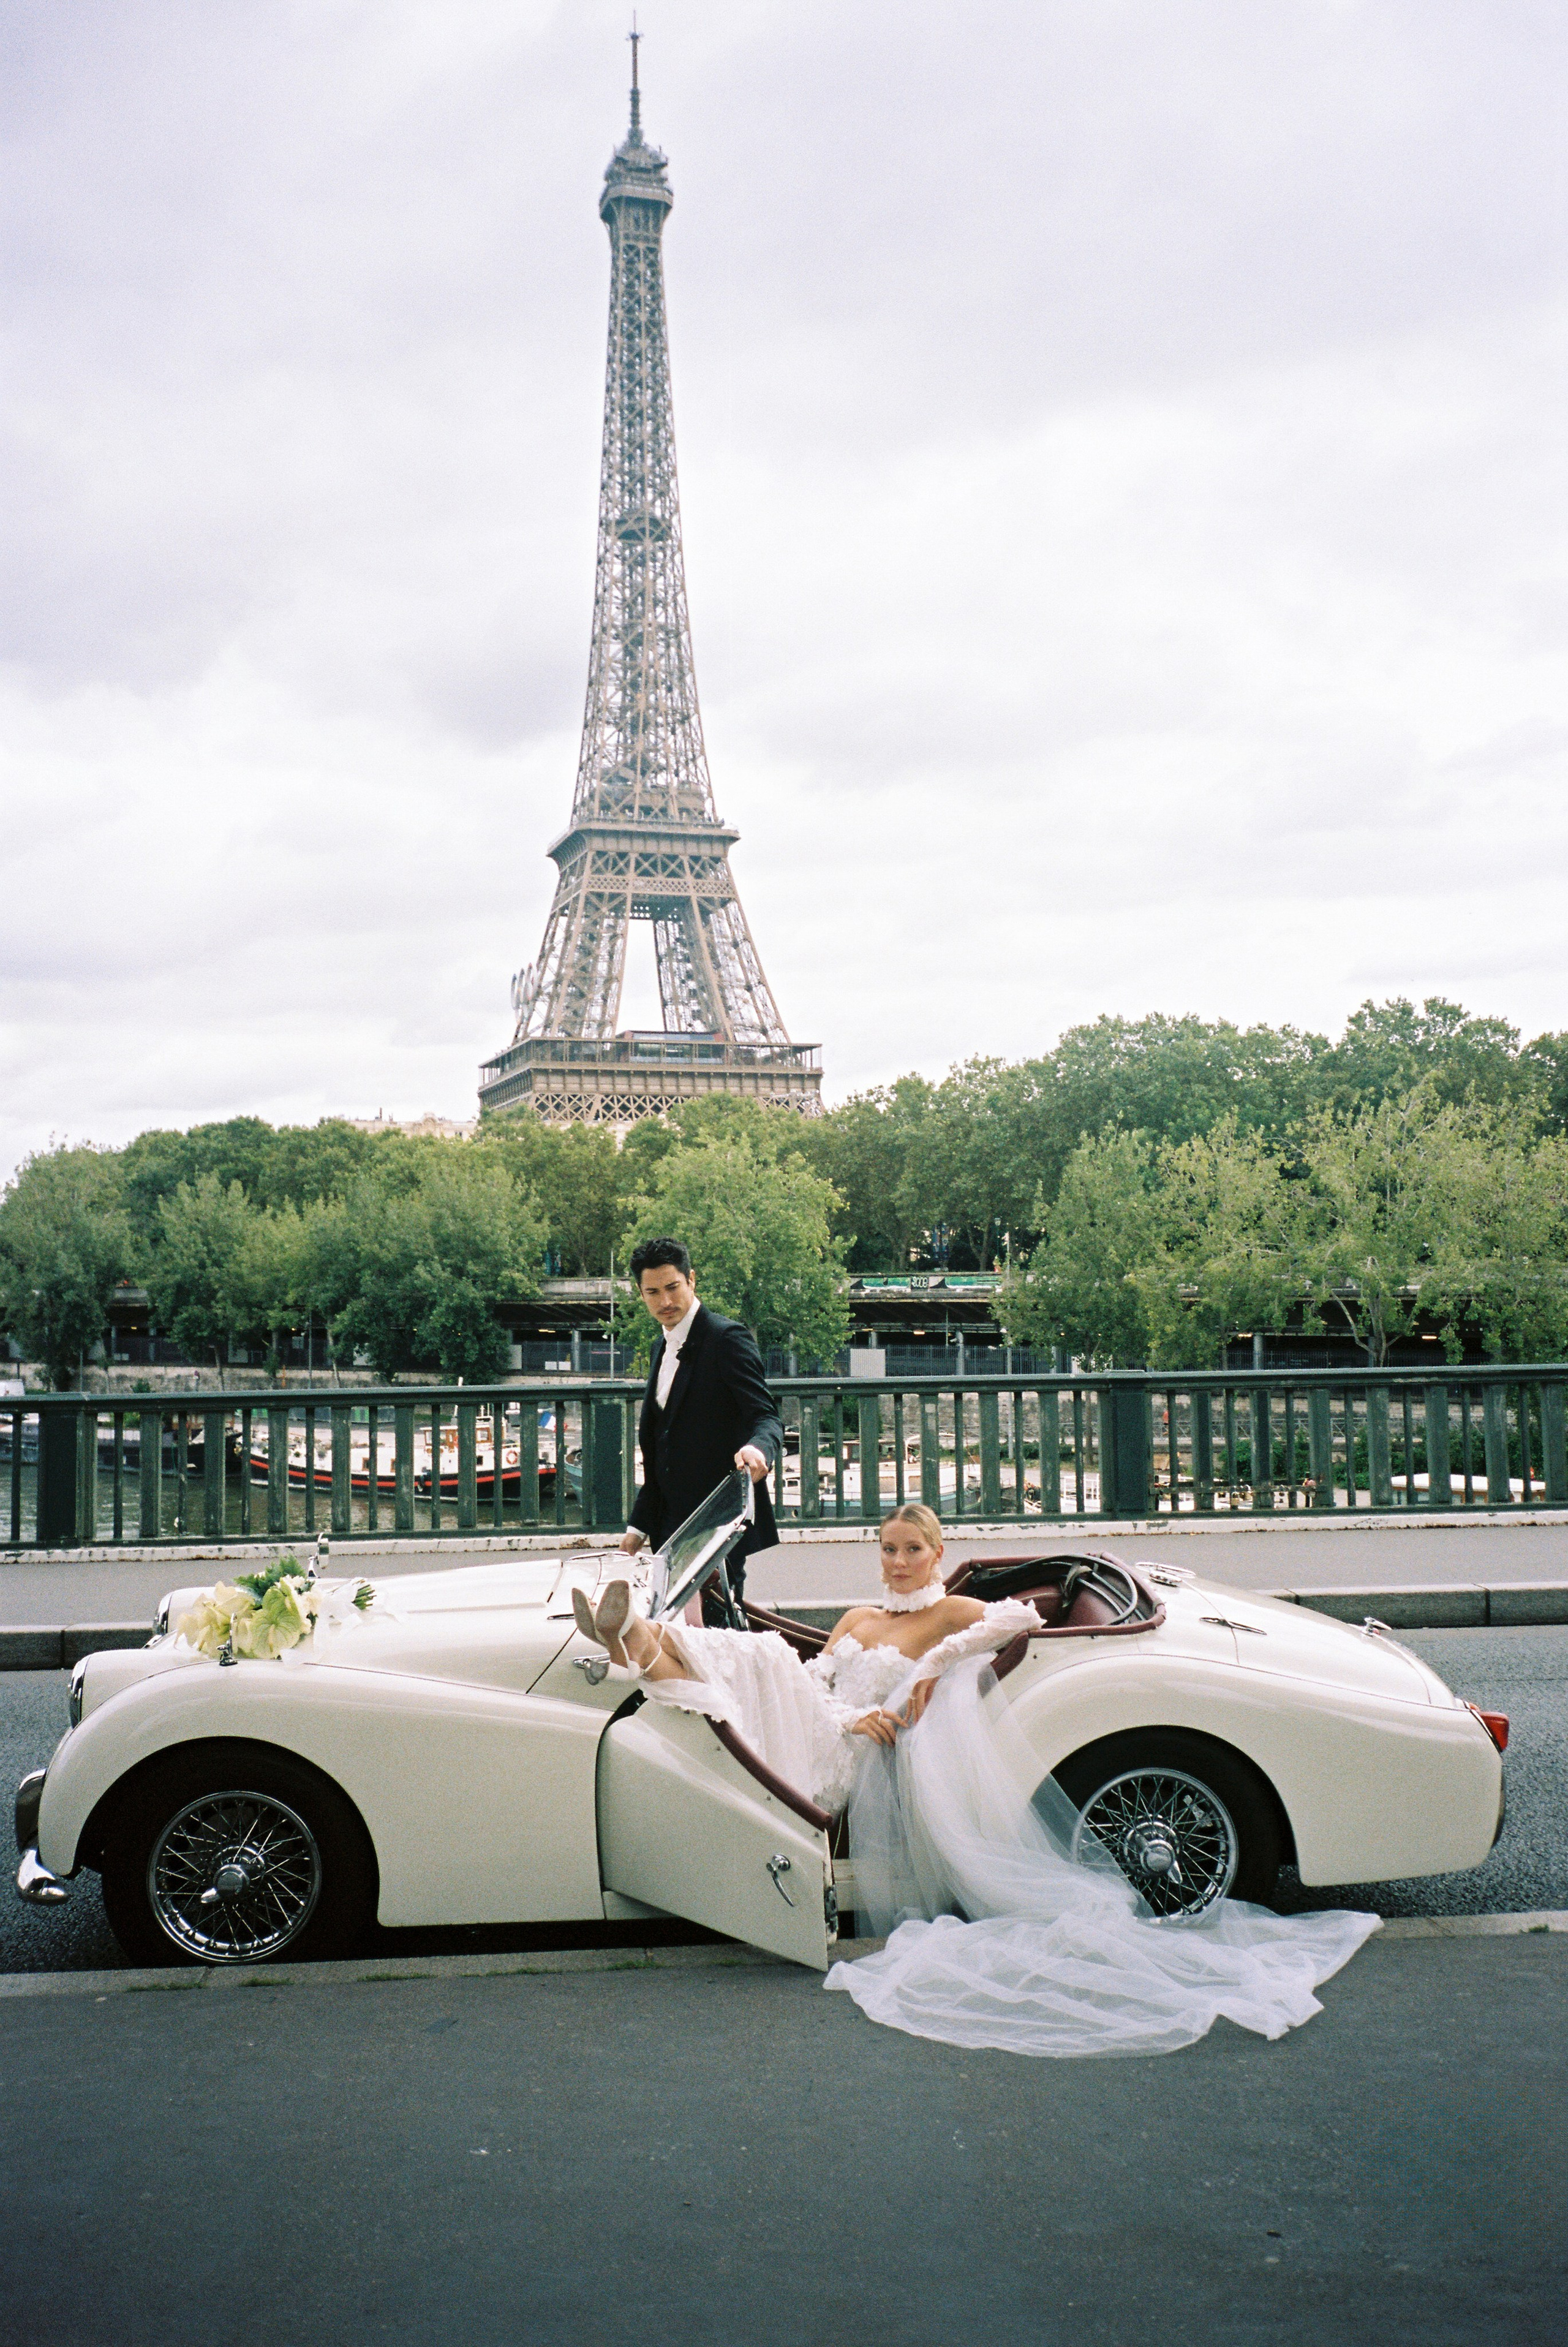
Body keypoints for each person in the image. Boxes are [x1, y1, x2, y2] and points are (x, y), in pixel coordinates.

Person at [575, 1501, 1382, 2061]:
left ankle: (633, 1637)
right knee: (754, 1659)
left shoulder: (951, 1612)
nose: (896, 1563)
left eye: (911, 1551)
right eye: (887, 1549)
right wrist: (836, 1700)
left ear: (937, 1552)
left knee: (749, 1662)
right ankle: (630, 1637)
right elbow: (817, 1674)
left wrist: (926, 1672)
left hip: (857, 1754)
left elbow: (1019, 1619)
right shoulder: (858, 1617)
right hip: (824, 1719)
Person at [619, 1236, 782, 1614]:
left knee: (713, 1642)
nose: (665, 1302)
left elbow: (766, 1415)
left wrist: (759, 1450)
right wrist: (636, 1530)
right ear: (641, 1294)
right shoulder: (662, 1345)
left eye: (673, 1287)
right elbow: (662, 1448)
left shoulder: (727, 1338)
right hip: (669, 1533)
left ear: (691, 1279)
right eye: (652, 1292)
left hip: (716, 1530)